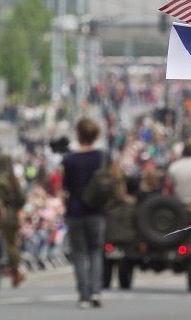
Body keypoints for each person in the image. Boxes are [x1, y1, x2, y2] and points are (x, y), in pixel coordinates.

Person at [61, 118, 107, 309]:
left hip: (75, 210)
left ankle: (83, 295)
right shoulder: (101, 157)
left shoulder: (69, 159)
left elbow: (65, 189)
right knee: (96, 251)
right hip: (97, 210)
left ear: (78, 134)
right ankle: (96, 291)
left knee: (79, 253)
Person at [0, 154, 28, 288]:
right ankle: (15, 272)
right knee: (11, 244)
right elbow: (21, 199)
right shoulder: (11, 180)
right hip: (9, 216)